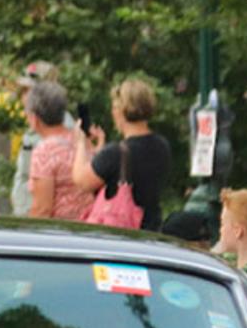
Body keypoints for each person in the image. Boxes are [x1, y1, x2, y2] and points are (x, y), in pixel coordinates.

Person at [71, 77, 171, 231]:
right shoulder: (162, 145)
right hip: (151, 230)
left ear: (120, 111)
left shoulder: (116, 153)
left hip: (123, 233)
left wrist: (80, 142)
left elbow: (82, 180)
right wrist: (100, 148)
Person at [25, 79, 92, 221]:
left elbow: (42, 209)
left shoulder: (45, 152)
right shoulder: (81, 141)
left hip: (60, 235)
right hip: (89, 229)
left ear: (34, 118)